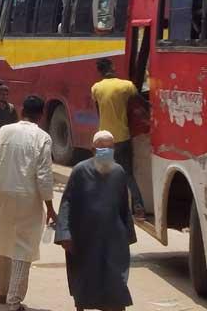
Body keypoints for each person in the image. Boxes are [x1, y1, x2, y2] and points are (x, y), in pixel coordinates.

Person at [0, 95, 56, 310]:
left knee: (3, 241)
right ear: (41, 115)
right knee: (23, 248)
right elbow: (44, 175)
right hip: (27, 197)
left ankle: (2, 291)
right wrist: (49, 206)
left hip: (1, 193)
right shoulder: (43, 137)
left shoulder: (4, 131)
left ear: (22, 110)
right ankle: (14, 301)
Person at [55, 130, 136, 311]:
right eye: (102, 148)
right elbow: (67, 202)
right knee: (84, 282)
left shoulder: (118, 172)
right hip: (85, 237)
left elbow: (124, 207)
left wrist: (128, 236)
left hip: (113, 238)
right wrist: (65, 233)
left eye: (110, 148)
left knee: (116, 284)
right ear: (93, 149)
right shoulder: (80, 171)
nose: (106, 151)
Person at [91, 58, 146, 218]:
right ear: (113, 68)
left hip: (104, 140)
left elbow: (99, 111)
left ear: (99, 71)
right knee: (127, 174)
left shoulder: (96, 88)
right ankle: (139, 208)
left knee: (104, 173)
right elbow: (140, 103)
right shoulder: (126, 85)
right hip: (123, 137)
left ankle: (107, 208)